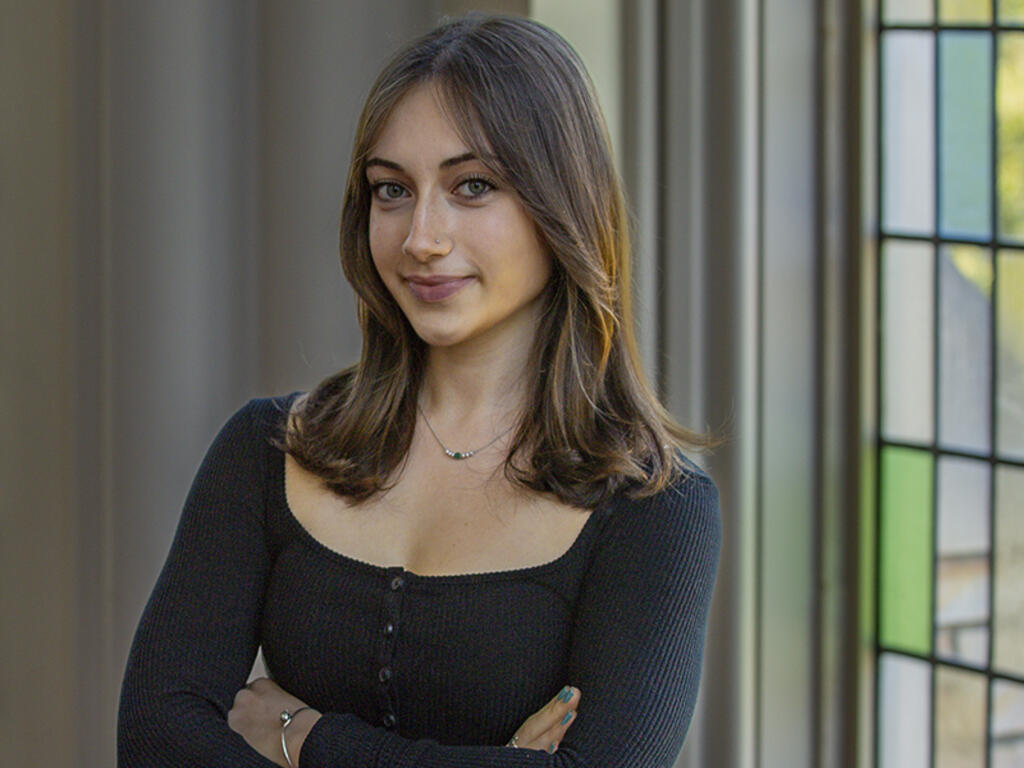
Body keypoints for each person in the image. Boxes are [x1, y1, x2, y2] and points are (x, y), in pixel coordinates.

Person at [118, 13, 721, 768]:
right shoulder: (267, 450)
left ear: (562, 203)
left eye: (473, 186)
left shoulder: (655, 511)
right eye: (392, 190)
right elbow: (154, 739)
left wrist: (307, 738)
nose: (421, 237)